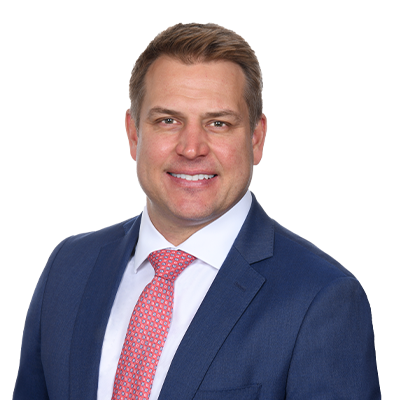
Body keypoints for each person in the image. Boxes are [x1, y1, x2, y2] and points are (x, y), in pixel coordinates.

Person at [14, 22, 380, 399]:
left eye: (218, 123)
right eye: (168, 121)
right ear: (133, 134)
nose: (191, 148)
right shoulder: (67, 268)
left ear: (256, 139)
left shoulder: (321, 298)